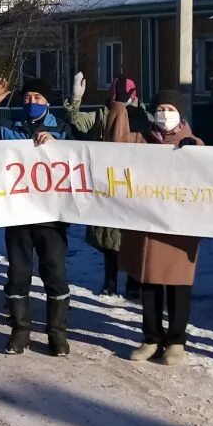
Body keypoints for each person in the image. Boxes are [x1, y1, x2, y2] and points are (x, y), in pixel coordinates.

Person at [0, 74, 71, 356]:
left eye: (38, 98)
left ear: (48, 103)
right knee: (18, 274)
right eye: (27, 98)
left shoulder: (63, 129)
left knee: (54, 273)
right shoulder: (10, 130)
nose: (32, 102)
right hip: (17, 215)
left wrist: (58, 144)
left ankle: (57, 334)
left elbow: (81, 155)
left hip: (51, 217)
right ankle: (20, 331)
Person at [108, 91, 204, 365]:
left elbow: (208, 173)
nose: (164, 114)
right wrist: (119, 107)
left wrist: (193, 151)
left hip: (178, 229)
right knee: (149, 283)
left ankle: (176, 341)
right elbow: (115, 146)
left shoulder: (192, 143)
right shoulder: (141, 140)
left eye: (170, 108)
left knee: (177, 285)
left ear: (180, 113)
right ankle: (151, 338)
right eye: (160, 108)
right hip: (147, 225)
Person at [67, 72, 141, 300]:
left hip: (134, 185)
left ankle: (133, 282)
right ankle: (110, 282)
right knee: (109, 237)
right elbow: (77, 122)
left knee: (132, 236)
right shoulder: (101, 115)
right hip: (106, 183)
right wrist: (75, 100)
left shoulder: (140, 116)